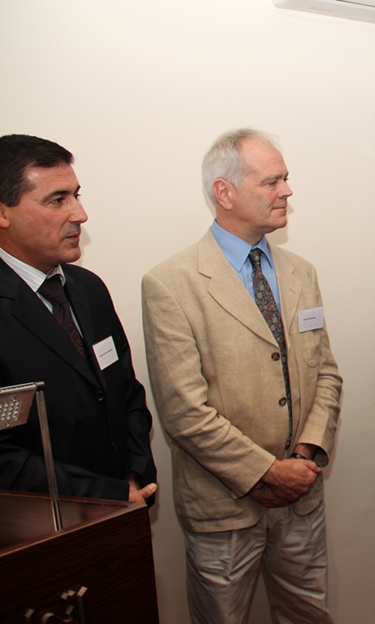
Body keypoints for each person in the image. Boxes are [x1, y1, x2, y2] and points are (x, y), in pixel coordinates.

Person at [142, 129, 342, 624]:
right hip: (224, 508)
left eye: (285, 179)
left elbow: (326, 374)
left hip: (302, 497)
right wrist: (266, 472)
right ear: (224, 192)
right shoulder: (170, 284)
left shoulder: (300, 273)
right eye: (271, 181)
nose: (287, 191)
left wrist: (303, 457)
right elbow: (183, 412)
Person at [0, 134, 157, 505]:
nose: (80, 215)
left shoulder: (88, 288)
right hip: (45, 525)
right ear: (3, 213)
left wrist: (133, 474)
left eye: (76, 195)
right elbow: (5, 458)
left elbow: (126, 392)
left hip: (125, 504)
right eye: (57, 200)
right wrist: (110, 494)